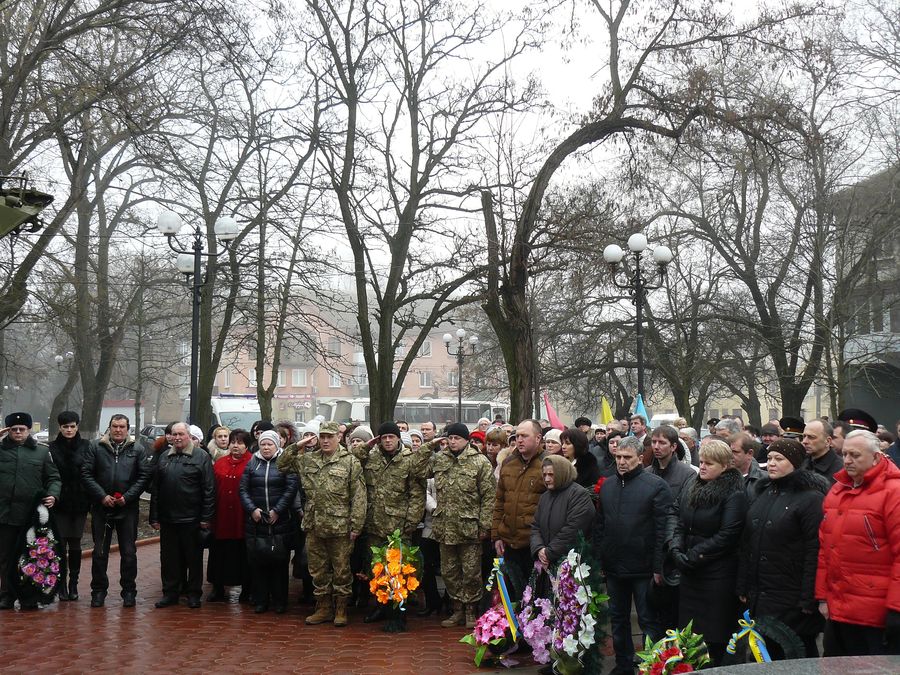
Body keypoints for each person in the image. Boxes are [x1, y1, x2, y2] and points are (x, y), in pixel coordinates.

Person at [737, 438, 828, 658]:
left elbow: (813, 551)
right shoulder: (764, 493)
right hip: (762, 593)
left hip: (792, 596)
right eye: (769, 458)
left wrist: (809, 598)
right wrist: (743, 584)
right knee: (768, 654)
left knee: (796, 652)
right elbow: (747, 543)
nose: (772, 463)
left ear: (795, 463)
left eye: (779, 459)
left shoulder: (811, 499)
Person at [816, 429, 900, 656]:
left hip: (875, 615)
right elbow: (825, 549)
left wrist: (896, 609)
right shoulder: (837, 489)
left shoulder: (894, 492)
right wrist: (822, 597)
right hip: (839, 610)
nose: (847, 460)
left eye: (855, 455)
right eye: (844, 454)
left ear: (876, 457)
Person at [593, 436, 671, 675]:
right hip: (615, 566)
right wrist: (601, 559)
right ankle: (624, 663)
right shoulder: (607, 486)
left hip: (644, 567)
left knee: (648, 621)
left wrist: (658, 567)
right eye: (618, 457)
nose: (622, 462)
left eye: (627, 457)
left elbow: (663, 530)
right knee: (617, 619)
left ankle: (653, 666)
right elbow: (601, 526)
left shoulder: (656, 486)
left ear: (640, 458)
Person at [278, 420, 366, 627]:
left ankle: (341, 608)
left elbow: (359, 496)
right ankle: (324, 608)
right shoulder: (309, 460)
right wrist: (298, 445)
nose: (325, 440)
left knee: (341, 570)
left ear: (339, 438)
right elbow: (281, 465)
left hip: (340, 528)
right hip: (314, 525)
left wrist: (356, 527)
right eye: (322, 436)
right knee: (317, 570)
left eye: (330, 437)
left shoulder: (350, 462)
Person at [669, 439, 748, 666]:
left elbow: (728, 535)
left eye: (709, 463)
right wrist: (675, 548)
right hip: (691, 573)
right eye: (701, 462)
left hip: (717, 575)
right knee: (690, 635)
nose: (702, 467)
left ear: (725, 466)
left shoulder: (734, 493)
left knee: (714, 636)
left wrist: (694, 555)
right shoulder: (693, 485)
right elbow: (681, 522)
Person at [422, 423, 495, 629]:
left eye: (457, 438)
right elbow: (418, 469)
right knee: (449, 571)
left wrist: (484, 526)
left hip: (469, 527)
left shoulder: (479, 462)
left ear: (466, 440)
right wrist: (430, 445)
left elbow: (489, 496)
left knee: (471, 572)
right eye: (450, 438)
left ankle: (471, 610)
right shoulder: (439, 459)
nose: (453, 442)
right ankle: (457, 610)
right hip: (445, 527)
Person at [356, 421, 426, 624]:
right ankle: (380, 605)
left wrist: (411, 521)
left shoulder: (409, 459)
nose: (387, 441)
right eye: (384, 437)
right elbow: (352, 459)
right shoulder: (371, 457)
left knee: (399, 569)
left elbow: (417, 493)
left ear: (397, 439)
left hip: (399, 525)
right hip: (374, 524)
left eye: (391, 437)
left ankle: (398, 609)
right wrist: (367, 445)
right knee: (376, 568)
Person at [81, 414, 151, 608]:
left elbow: (144, 476)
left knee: (129, 552)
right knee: (100, 552)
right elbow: (86, 473)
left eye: (122, 427)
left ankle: (129, 591)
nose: (118, 430)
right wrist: (102, 496)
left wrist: (127, 497)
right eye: (115, 426)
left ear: (127, 429)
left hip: (127, 509)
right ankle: (98, 591)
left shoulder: (137, 449)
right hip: (102, 507)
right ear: (109, 427)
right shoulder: (96, 447)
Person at [149, 422, 215, 609]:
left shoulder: (201, 456)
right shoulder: (163, 457)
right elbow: (156, 489)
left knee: (193, 559)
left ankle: (193, 593)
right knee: (169, 559)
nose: (177, 438)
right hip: (168, 519)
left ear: (188, 435)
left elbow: (209, 490)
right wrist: (154, 516)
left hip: (192, 519)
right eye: (174, 434)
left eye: (181, 434)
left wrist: (205, 518)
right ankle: (170, 593)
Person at [0, 413, 61, 610]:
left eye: (22, 429)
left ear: (29, 430)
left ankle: (30, 596)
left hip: (31, 516)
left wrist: (53, 495)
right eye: (13, 429)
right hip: (5, 513)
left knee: (33, 556)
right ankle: (6, 595)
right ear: (7, 430)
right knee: (6, 557)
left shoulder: (41, 452)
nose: (18, 432)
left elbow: (53, 478)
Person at [240, 429, 299, 614]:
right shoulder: (252, 463)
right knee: (258, 563)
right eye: (263, 444)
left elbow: (290, 489)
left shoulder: (284, 463)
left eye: (269, 444)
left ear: (277, 445)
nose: (266, 447)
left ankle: (280, 601)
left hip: (279, 522)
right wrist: (252, 510)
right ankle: (261, 600)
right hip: (256, 522)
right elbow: (243, 489)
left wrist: (277, 511)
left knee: (279, 563)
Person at [492, 420, 547, 594]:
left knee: (536, 597)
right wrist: (497, 535)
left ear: (538, 438)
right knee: (513, 595)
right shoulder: (508, 463)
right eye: (517, 436)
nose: (519, 440)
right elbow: (500, 502)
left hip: (534, 544)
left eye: (525, 436)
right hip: (509, 542)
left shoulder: (548, 464)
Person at [207, 429, 253, 603]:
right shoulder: (220, 463)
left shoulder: (252, 462)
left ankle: (246, 589)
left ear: (246, 445)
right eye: (233, 441)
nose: (235, 445)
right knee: (219, 553)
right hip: (222, 516)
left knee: (243, 554)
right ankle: (218, 587)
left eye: (240, 442)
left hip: (243, 516)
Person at [48, 410, 90, 601]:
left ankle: (74, 583)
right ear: (60, 427)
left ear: (77, 426)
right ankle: (61, 584)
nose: (69, 430)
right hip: (59, 503)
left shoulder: (87, 446)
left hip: (79, 502)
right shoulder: (51, 448)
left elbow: (90, 473)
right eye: (65, 426)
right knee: (60, 545)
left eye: (72, 426)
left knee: (75, 544)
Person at [531, 455, 594, 566]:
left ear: (562, 473)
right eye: (544, 474)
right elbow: (536, 526)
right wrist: (539, 548)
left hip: (571, 565)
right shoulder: (545, 497)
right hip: (547, 562)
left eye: (551, 475)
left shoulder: (579, 494)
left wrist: (549, 552)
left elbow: (573, 530)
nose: (546, 479)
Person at [802, 419, 843, 483]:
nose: (804, 441)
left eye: (811, 437)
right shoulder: (801, 464)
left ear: (828, 441)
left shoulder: (841, 470)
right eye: (804, 436)